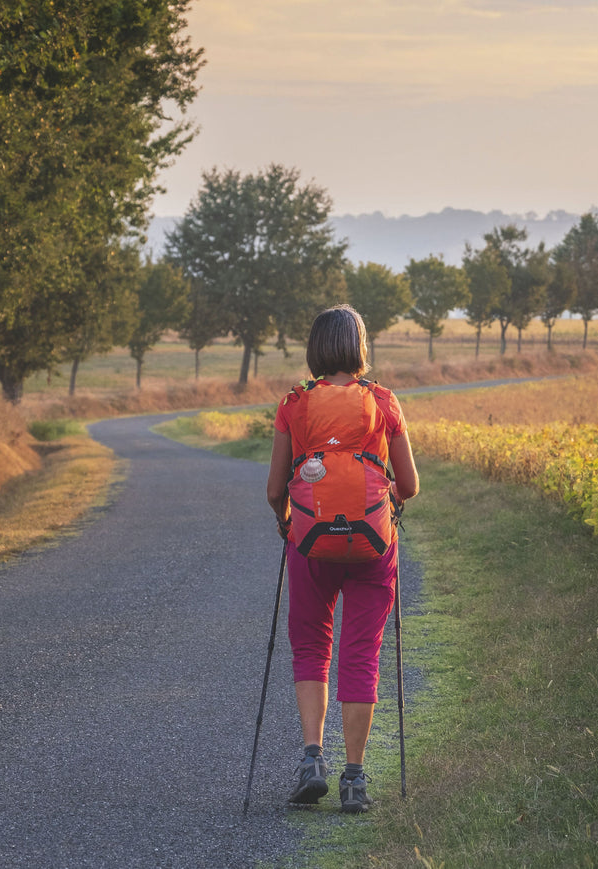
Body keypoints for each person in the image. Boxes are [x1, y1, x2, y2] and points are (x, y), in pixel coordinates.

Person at [267, 304, 419, 814]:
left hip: (309, 541)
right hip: (373, 543)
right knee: (361, 652)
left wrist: (286, 518)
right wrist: (384, 502)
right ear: (360, 347)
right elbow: (411, 485)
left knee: (311, 647)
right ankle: (355, 778)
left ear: (315, 348)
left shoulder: (295, 403)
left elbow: (274, 487)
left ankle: (313, 761)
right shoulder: (382, 400)